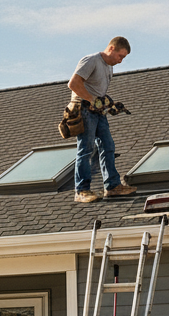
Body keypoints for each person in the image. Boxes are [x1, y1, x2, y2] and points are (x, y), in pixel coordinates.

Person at [68, 37, 138, 203]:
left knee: (108, 146)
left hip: (97, 112)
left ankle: (112, 187)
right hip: (84, 109)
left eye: (123, 58)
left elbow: (97, 92)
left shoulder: (108, 67)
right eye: (120, 56)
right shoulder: (91, 60)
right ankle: (81, 190)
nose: (121, 61)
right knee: (86, 149)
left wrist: (107, 104)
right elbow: (73, 84)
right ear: (111, 48)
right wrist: (92, 100)